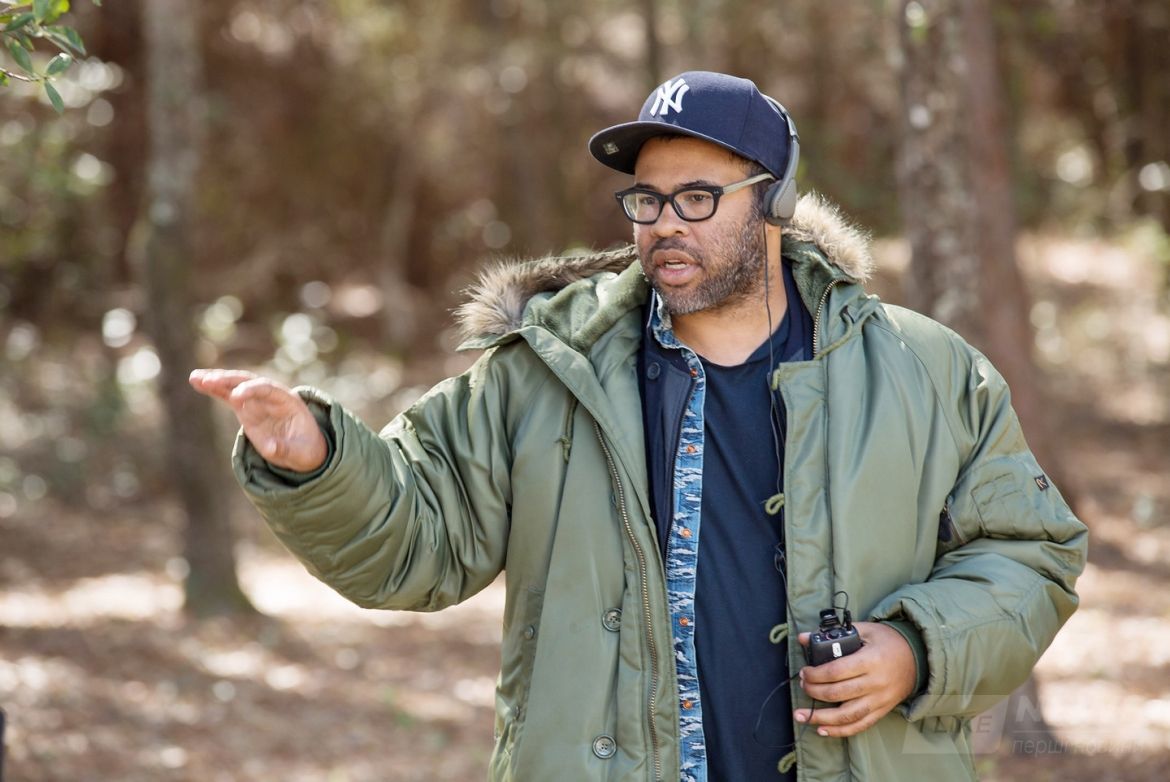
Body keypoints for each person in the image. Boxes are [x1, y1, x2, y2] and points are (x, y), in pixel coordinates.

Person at [190, 71, 1087, 781]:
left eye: (696, 197)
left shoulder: (922, 370)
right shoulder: (545, 370)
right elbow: (419, 539)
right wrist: (318, 462)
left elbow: (1030, 552)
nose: (662, 225)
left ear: (772, 204)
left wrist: (917, 649)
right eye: (647, 200)